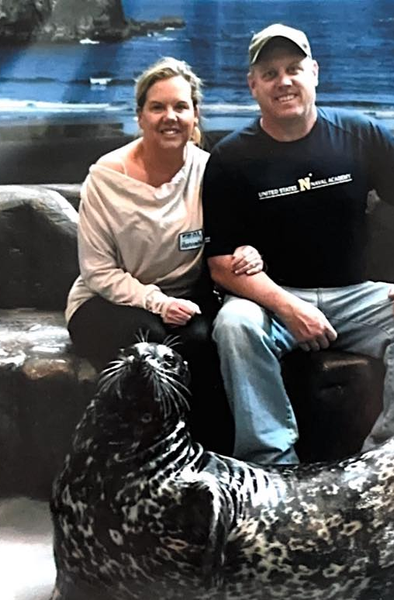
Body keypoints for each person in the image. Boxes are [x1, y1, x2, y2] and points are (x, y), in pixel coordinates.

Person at [202, 24, 394, 466]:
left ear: (314, 73)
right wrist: (289, 308)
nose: (284, 81)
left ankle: (387, 458)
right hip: (274, 301)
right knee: (233, 324)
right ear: (253, 85)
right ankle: (274, 463)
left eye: (294, 69)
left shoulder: (359, 134)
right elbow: (222, 265)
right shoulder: (230, 157)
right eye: (270, 73)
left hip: (355, 297)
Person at [66, 57, 262, 453]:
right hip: (105, 302)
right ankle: (144, 466)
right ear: (140, 116)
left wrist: (249, 249)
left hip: (184, 303)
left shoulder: (211, 171)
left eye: (180, 107)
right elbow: (97, 271)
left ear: (195, 116)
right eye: (157, 107)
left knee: (206, 342)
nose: (169, 117)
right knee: (155, 347)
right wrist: (157, 301)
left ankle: (214, 465)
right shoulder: (106, 177)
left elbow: (239, 233)